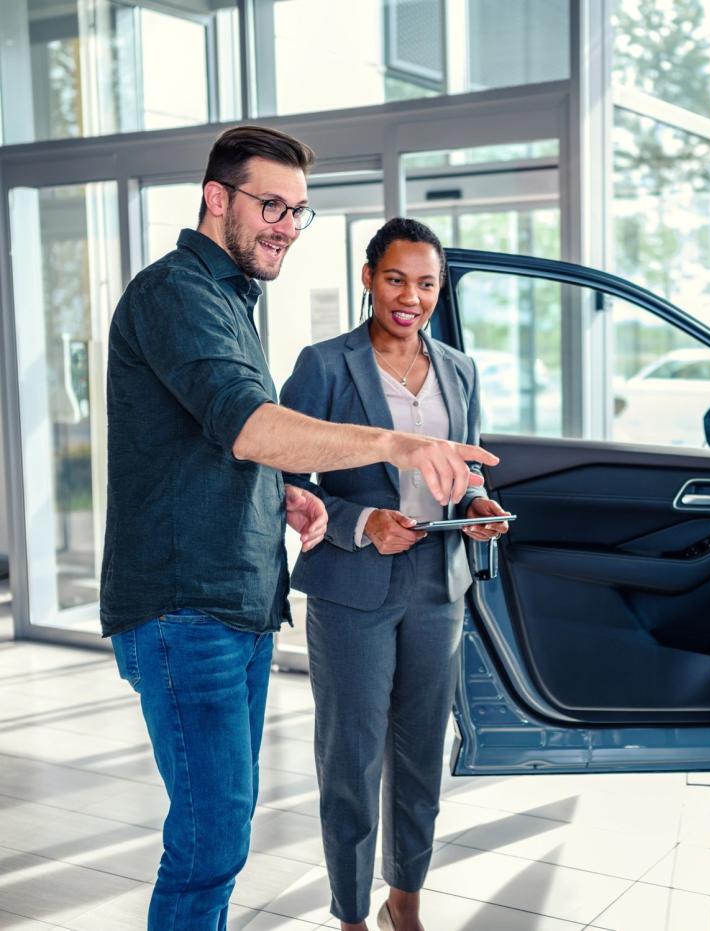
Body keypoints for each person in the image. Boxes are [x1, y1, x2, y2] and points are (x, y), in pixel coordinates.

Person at [101, 127, 497, 931]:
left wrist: (286, 499)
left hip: (240, 604)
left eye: (297, 211)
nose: (284, 223)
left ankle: (399, 899)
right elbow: (251, 426)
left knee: (221, 833)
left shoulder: (232, 302)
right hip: (188, 607)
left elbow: (228, 451)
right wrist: (398, 448)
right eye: (270, 204)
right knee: (211, 840)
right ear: (217, 198)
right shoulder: (178, 292)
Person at [279, 217, 510, 931]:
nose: (411, 296)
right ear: (368, 278)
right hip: (353, 588)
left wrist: (475, 501)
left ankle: (402, 903)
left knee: (420, 757)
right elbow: (283, 475)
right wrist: (359, 522)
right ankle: (350, 915)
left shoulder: (459, 369)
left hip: (437, 585)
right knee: (351, 761)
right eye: (395, 279)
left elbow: (463, 466)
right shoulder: (323, 366)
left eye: (426, 283)